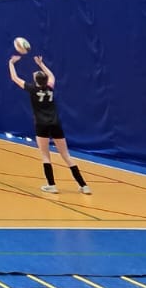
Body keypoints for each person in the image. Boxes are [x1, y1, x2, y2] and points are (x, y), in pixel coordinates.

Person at [8, 53, 90, 194]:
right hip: (55, 123)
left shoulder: (32, 89)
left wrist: (11, 63)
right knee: (66, 155)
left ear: (36, 80)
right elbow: (52, 76)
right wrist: (41, 64)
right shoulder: (50, 87)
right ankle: (84, 185)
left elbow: (14, 78)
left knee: (45, 155)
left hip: (41, 125)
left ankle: (51, 185)